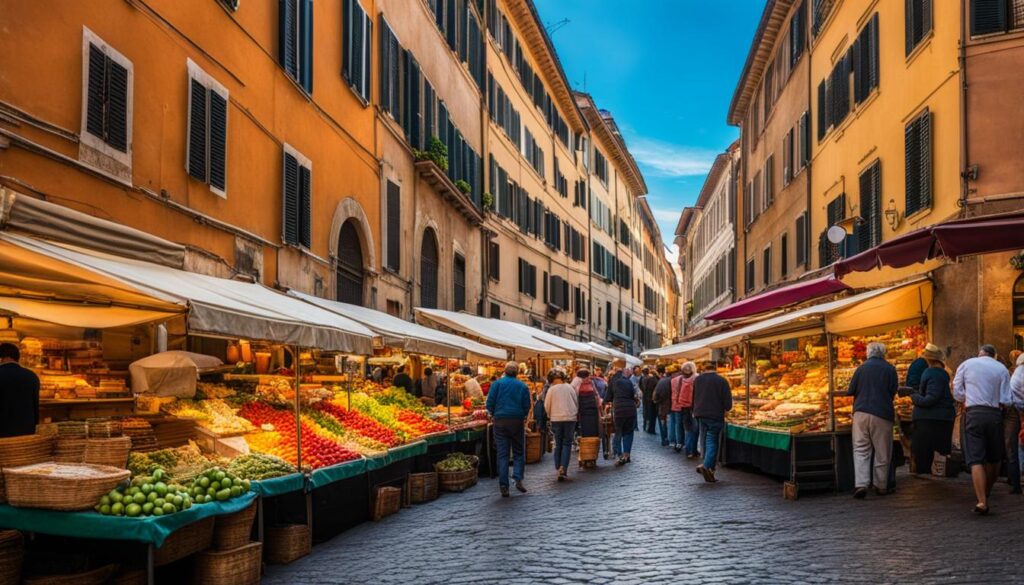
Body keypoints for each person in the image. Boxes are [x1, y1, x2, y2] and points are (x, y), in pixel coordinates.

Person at [954, 344, 1013, 514]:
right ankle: (987, 490)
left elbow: (957, 392)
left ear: (980, 354)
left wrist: (969, 397)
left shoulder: (966, 364)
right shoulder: (1001, 368)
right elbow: (1006, 398)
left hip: (973, 413)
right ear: (994, 355)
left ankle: (981, 501)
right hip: (994, 414)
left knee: (976, 459)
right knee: (995, 458)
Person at [847, 342, 899, 498]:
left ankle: (861, 484)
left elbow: (851, 390)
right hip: (882, 413)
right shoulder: (890, 369)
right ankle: (880, 485)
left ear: (868, 353)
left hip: (860, 413)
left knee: (861, 449)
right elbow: (893, 391)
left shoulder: (861, 368)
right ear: (883, 353)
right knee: (882, 451)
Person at [903, 345, 955, 476]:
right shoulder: (940, 373)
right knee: (937, 451)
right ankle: (933, 476)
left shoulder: (931, 373)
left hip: (930, 418)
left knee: (924, 453)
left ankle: (927, 480)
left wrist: (913, 396)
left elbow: (930, 399)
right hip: (940, 417)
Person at [485, 361, 532, 497]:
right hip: (516, 420)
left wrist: (494, 413)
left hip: (500, 421)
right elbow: (526, 405)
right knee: (518, 451)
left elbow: (490, 403)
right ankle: (517, 478)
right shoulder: (522, 386)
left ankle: (504, 485)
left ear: (505, 371)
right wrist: (522, 416)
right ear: (517, 372)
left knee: (502, 454)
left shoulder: (497, 384)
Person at [692, 361, 732, 483]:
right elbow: (728, 403)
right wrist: (726, 409)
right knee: (712, 441)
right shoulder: (722, 380)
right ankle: (707, 465)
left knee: (704, 440)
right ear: (715, 369)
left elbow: (694, 397)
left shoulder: (698, 380)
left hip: (700, 414)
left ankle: (709, 467)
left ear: (704, 369)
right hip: (715, 415)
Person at [543, 369, 579, 481]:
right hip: (570, 418)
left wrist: (550, 415)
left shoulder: (551, 389)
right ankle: (563, 467)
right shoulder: (569, 388)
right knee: (567, 443)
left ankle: (558, 466)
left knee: (558, 443)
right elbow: (576, 402)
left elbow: (546, 405)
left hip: (556, 418)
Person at [0, 343, 40, 438]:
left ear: (1, 358)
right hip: (26, 432)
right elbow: (35, 407)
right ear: (18, 358)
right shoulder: (32, 376)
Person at [607, 365, 638, 465]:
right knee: (628, 432)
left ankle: (619, 455)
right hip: (630, 409)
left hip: (619, 410)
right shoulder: (628, 381)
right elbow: (633, 395)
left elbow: (607, 397)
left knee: (618, 432)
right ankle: (627, 455)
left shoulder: (613, 381)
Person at [671, 362, 698, 456]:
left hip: (682, 406)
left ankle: (687, 448)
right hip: (693, 407)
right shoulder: (696, 379)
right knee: (694, 429)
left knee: (686, 428)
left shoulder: (677, 380)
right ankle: (691, 450)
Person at [652, 365, 672, 447]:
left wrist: (657, 401)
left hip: (663, 406)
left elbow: (655, 396)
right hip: (672, 407)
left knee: (664, 423)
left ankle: (664, 439)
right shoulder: (673, 380)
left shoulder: (661, 381)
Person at [641, 367, 658, 434]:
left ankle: (645, 427)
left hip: (645, 398)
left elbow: (641, 387)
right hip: (651, 399)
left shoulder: (643, 378)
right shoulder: (653, 379)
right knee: (651, 415)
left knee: (646, 413)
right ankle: (650, 429)